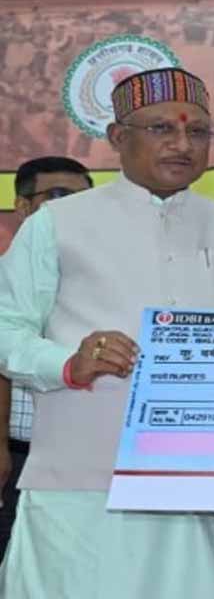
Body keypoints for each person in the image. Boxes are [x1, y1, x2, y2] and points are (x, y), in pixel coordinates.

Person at [0, 67, 214, 598]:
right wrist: (68, 364)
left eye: (198, 132)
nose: (183, 144)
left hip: (206, 478)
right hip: (84, 478)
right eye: (162, 128)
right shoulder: (57, 223)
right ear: (117, 137)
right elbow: (7, 328)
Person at [0, 156, 92, 557]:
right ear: (23, 206)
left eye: (84, 200)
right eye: (59, 196)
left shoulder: (100, 282)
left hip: (82, 453)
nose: (73, 210)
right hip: (17, 453)